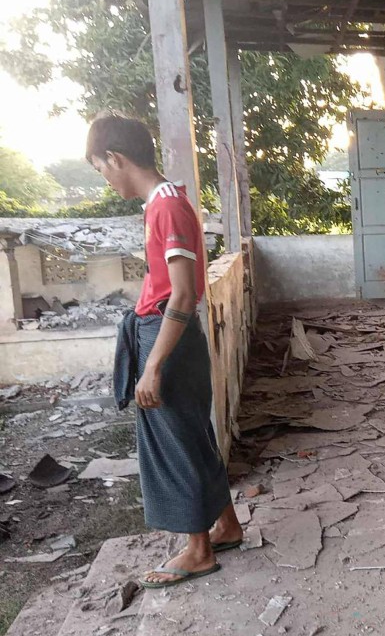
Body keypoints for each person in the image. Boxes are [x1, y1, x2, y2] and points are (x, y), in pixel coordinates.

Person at [87, 113, 242, 588]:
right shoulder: (165, 202)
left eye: (100, 168)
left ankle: (198, 550)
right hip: (167, 336)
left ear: (115, 157)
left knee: (171, 444)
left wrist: (152, 367)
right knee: (192, 436)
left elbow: (181, 292)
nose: (105, 178)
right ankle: (227, 526)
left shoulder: (167, 207)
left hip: (167, 339)